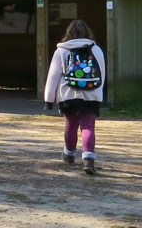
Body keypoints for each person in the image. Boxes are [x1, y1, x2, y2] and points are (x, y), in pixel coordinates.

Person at [43, 19, 106, 175]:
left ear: (68, 33)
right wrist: (99, 93)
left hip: (68, 95)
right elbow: (101, 74)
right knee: (88, 126)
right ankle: (89, 159)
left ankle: (69, 155)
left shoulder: (61, 51)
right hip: (92, 94)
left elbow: (53, 76)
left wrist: (48, 100)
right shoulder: (96, 50)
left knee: (71, 125)